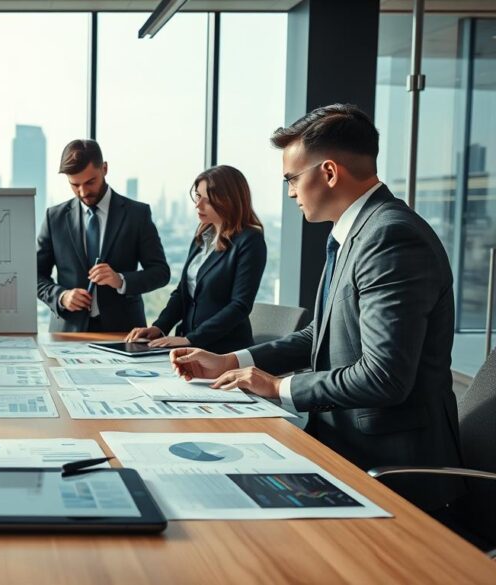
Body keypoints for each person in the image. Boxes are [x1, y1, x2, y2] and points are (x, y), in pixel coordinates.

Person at [170, 104, 463, 512]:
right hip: (343, 445)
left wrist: (277, 387)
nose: (290, 192)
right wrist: (229, 361)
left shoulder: (390, 237)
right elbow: (318, 334)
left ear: (328, 172)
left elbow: (384, 377)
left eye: (291, 178)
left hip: (393, 469)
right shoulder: (353, 233)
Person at [125, 165, 266, 354]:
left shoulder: (250, 240)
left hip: (223, 351)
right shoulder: (202, 236)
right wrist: (159, 327)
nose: (198, 205)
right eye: (198, 196)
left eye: (208, 200)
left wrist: (191, 339)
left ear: (228, 201)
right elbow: (183, 293)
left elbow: (239, 306)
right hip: (188, 346)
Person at [37, 139, 170, 332]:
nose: (83, 192)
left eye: (90, 182)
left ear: (105, 169)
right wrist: (61, 296)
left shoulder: (137, 214)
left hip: (124, 331)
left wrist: (121, 280)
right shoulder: (54, 218)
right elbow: (35, 275)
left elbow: (161, 272)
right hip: (68, 333)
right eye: (75, 185)